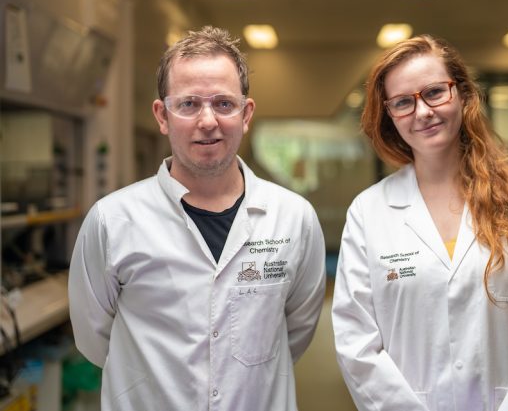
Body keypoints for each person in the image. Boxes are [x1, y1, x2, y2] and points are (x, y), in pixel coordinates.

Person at [68, 26, 326, 411]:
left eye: (223, 104)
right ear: (162, 115)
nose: (208, 121)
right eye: (189, 104)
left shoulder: (294, 218)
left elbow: (297, 329)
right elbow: (93, 337)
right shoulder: (112, 220)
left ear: (246, 113)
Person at [331, 34, 508, 410]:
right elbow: (357, 345)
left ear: (463, 95)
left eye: (435, 92)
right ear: (389, 116)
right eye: (403, 102)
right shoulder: (369, 212)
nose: (422, 112)